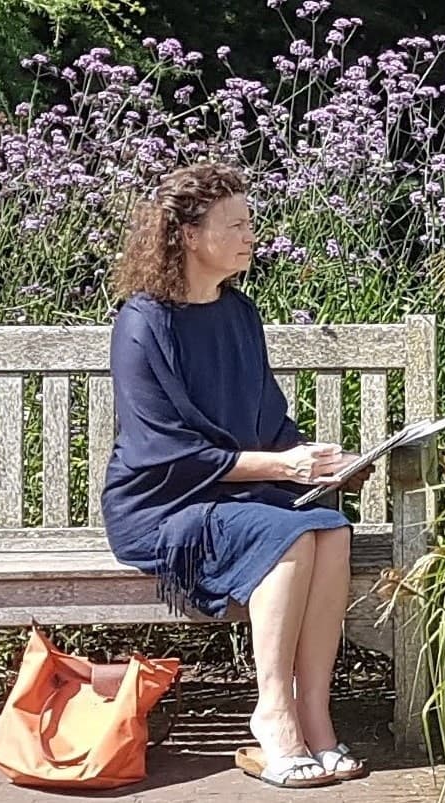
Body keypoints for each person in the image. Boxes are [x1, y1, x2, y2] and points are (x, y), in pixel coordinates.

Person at [101, 162, 372, 789]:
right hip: (162, 504)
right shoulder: (143, 322)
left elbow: (266, 419)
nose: (252, 236)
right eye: (236, 225)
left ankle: (315, 718)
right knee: (287, 536)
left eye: (251, 222)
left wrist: (318, 462)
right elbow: (161, 448)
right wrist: (280, 466)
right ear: (189, 236)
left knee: (331, 529)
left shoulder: (240, 314)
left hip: (241, 494)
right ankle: (273, 715)